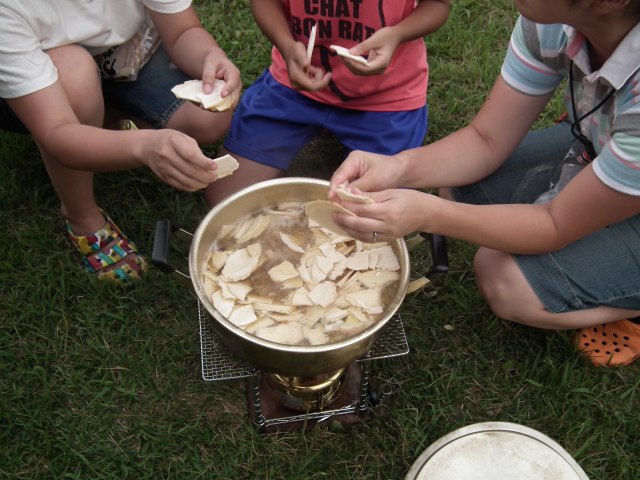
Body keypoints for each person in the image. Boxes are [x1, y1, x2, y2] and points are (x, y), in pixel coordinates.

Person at [327, 0, 640, 367]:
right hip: (607, 149)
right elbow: (485, 140)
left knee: (505, 282)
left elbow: (554, 224)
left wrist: (427, 214)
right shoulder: (551, 23)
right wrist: (397, 168)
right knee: (461, 190)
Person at [0, 0, 242, 284]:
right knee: (75, 75)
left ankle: (104, 116)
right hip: (40, 82)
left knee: (207, 120)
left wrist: (210, 57)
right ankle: (81, 213)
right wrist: (145, 147)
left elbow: (182, 31)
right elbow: (57, 131)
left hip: (121, 49)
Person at [203, 0, 451, 207]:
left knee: (364, 213)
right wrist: (287, 47)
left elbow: (438, 4)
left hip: (385, 96)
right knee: (225, 199)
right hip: (294, 87)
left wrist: (397, 34)